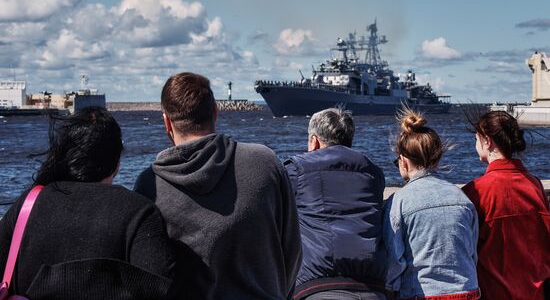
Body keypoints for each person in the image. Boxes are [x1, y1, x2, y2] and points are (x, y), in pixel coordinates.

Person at [134, 72, 302, 300]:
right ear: (215, 111)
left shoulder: (149, 184)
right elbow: (292, 251)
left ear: (166, 122)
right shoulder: (265, 163)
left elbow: (149, 274)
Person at [0, 107, 176, 300]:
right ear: (116, 160)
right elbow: (159, 290)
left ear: (65, 154)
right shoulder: (138, 212)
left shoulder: (29, 203)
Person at [284, 108, 387, 300]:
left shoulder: (297, 170)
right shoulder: (373, 172)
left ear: (314, 141)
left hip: (319, 284)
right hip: (373, 285)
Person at [383, 109, 479, 300]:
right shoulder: (462, 198)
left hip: (423, 294)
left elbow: (395, 261)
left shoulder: (399, 201)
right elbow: (471, 253)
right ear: (437, 159)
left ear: (403, 161)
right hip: (467, 291)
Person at [462, 110, 550, 299]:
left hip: (493, 293)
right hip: (534, 292)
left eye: (477, 139)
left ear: (487, 141)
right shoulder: (534, 185)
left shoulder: (476, 191)